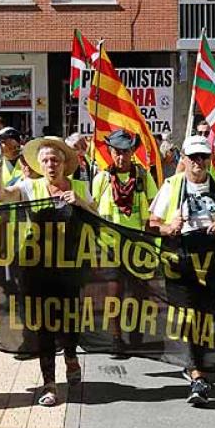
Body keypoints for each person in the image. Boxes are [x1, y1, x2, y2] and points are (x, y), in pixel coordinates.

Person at [0, 136, 93, 407]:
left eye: (55, 160)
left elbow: (98, 217)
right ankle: (49, 384)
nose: (50, 165)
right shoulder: (29, 186)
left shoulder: (80, 186)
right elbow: (1, 197)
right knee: (44, 327)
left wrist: (80, 202)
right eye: (46, 160)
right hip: (36, 270)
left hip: (71, 268)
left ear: (64, 164)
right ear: (39, 163)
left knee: (70, 322)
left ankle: (71, 356)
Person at [149, 135, 215, 406]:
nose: (199, 163)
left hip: (214, 256)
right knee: (189, 317)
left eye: (203, 157)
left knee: (209, 314)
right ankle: (197, 376)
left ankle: (198, 362)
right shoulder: (172, 185)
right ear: (185, 160)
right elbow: (152, 223)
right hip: (181, 257)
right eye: (193, 158)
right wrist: (169, 228)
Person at [91, 129, 160, 356]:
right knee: (114, 293)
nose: (121, 157)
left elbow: (154, 209)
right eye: (117, 152)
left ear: (132, 152)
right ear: (110, 152)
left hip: (138, 245)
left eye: (126, 152)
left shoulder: (142, 175)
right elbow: (92, 211)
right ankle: (116, 338)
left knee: (139, 293)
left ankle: (137, 336)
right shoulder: (101, 179)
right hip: (110, 247)